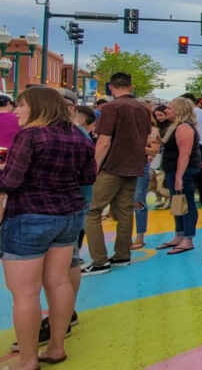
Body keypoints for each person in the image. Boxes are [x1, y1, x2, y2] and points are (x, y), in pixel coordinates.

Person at [0, 87, 96, 368]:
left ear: (38, 108)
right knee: (59, 281)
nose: (16, 111)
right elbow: (89, 175)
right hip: (67, 214)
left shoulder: (30, 136)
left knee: (25, 292)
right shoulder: (78, 137)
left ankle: (28, 359)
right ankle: (56, 347)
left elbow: (10, 181)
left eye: (21, 105)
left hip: (29, 215)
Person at [83, 72, 151, 275]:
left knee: (92, 211)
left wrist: (93, 167)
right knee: (124, 211)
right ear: (130, 86)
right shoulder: (142, 108)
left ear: (111, 88)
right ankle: (122, 254)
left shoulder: (112, 108)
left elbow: (104, 141)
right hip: (134, 165)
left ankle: (99, 259)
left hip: (113, 165)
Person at [155, 97, 202, 254]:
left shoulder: (184, 128)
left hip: (184, 170)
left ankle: (187, 237)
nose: (166, 110)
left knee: (186, 202)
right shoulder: (176, 126)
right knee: (178, 201)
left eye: (169, 108)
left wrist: (179, 176)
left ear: (179, 110)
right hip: (174, 169)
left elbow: (185, 153)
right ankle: (180, 234)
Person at [131, 99, 161, 251]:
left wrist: (136, 146)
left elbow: (154, 151)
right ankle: (125, 236)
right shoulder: (125, 128)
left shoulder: (152, 131)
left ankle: (140, 235)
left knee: (138, 200)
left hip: (140, 166)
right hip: (124, 166)